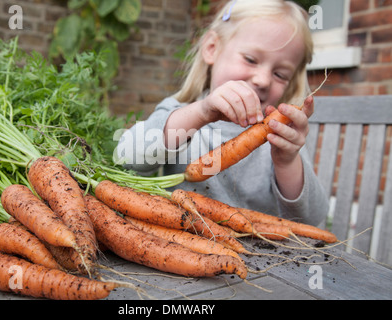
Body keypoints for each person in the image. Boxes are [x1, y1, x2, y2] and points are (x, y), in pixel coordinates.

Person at [115, 0, 329, 227]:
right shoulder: (180, 111)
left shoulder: (280, 137)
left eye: (280, 74)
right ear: (212, 49)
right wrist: (202, 112)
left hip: (260, 252)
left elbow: (311, 219)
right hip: (185, 244)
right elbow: (126, 158)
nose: (263, 80)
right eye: (250, 59)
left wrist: (287, 162)